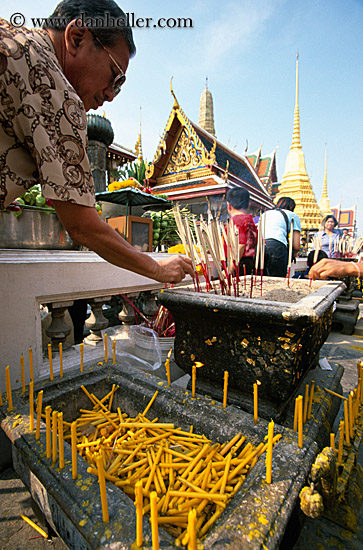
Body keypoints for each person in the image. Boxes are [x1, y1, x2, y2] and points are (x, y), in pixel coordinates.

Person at [0, 0, 193, 285]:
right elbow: (82, 225)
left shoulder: (13, 38)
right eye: (115, 77)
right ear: (76, 37)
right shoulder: (54, 88)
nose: (112, 94)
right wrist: (158, 269)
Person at [262, 197, 301, 277]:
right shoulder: (293, 215)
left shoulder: (265, 213)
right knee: (277, 280)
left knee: (261, 280)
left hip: (261, 246)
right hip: (277, 246)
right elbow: (296, 245)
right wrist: (294, 253)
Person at [226, 188, 258, 275]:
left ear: (228, 205)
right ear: (248, 205)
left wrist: (230, 269)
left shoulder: (236, 221)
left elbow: (240, 245)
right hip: (250, 261)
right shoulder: (250, 221)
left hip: (237, 263)